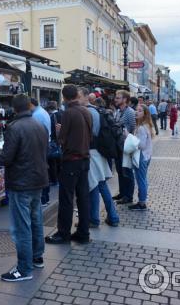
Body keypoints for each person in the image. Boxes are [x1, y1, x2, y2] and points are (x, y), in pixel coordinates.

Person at [0, 94, 49, 282]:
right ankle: (37, 257)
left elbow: (7, 157)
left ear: (14, 109)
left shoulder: (14, 127)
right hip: (38, 180)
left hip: (21, 182)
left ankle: (24, 269)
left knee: (22, 226)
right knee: (36, 220)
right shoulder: (39, 125)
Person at [45, 85, 92, 245]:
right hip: (85, 159)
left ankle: (63, 233)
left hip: (72, 160)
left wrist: (59, 131)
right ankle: (83, 232)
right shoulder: (86, 111)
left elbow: (62, 140)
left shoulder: (68, 113)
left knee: (66, 198)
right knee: (83, 198)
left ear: (64, 97)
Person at [86, 92, 119, 227]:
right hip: (102, 153)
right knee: (102, 185)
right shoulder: (101, 112)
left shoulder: (90, 112)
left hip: (93, 153)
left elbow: (91, 136)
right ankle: (113, 216)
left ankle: (94, 219)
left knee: (94, 185)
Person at [112, 90, 136, 205]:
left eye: (118, 98)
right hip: (117, 146)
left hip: (126, 147)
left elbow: (133, 127)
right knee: (120, 171)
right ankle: (122, 193)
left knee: (127, 172)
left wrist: (127, 138)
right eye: (116, 97)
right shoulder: (117, 111)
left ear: (125, 100)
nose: (115, 99)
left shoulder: (130, 112)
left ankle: (128, 196)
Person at [128, 104, 154, 210]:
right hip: (146, 156)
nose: (136, 112)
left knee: (141, 179)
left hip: (141, 156)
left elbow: (142, 145)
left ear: (145, 114)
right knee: (143, 179)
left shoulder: (142, 128)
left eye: (139, 110)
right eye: (136, 110)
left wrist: (129, 138)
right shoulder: (146, 125)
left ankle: (142, 202)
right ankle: (142, 201)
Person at [30, 98, 52, 206]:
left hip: (40, 145)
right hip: (45, 143)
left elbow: (34, 132)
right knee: (44, 169)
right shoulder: (42, 112)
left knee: (41, 171)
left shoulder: (36, 115)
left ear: (30, 105)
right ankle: (46, 197)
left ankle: (43, 198)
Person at [45, 101, 62, 187]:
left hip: (54, 141)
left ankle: (54, 180)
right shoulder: (62, 114)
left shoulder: (51, 117)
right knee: (59, 160)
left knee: (52, 161)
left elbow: (50, 130)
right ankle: (59, 178)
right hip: (61, 141)